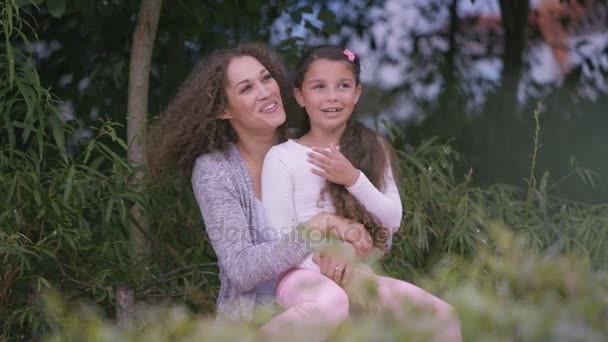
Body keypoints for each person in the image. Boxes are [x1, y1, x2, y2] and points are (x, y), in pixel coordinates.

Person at [147, 42, 372, 324]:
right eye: (246, 88)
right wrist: (316, 226)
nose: (266, 92)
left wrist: (346, 250)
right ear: (222, 110)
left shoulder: (309, 148)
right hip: (255, 324)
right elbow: (241, 270)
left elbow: (352, 223)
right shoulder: (216, 170)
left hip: (334, 311)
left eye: (266, 78)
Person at [260, 45, 462, 341]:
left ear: (356, 93)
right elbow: (278, 237)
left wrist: (354, 178)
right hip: (299, 274)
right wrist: (328, 265)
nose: (331, 97)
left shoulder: (372, 148)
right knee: (332, 301)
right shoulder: (282, 157)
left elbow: (392, 220)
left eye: (342, 86)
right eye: (319, 87)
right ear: (300, 96)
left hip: (358, 273)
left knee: (442, 316)